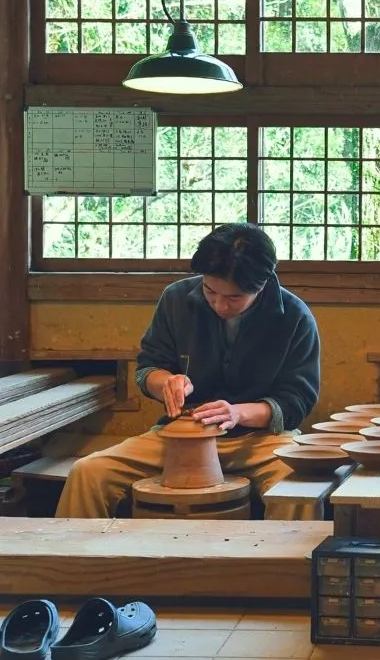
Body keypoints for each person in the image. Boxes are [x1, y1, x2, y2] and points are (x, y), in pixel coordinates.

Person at [56, 223, 321, 520]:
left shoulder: (294, 316)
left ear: (262, 285)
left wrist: (237, 413)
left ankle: (280, 568)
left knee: (299, 490)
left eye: (233, 298)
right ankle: (76, 566)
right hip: (180, 435)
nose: (220, 304)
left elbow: (297, 401)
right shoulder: (176, 299)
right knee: (88, 473)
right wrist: (167, 382)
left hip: (260, 440)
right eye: (210, 290)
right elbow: (148, 368)